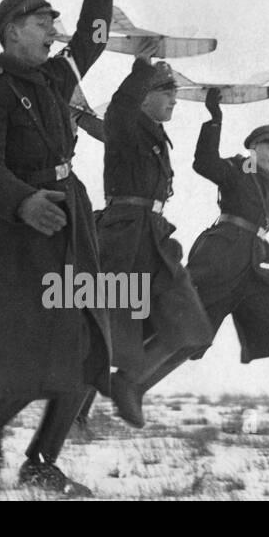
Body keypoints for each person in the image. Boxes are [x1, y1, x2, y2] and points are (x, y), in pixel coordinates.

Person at [0, 0, 113, 495]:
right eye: (44, 22)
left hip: (71, 225)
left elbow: (94, 39)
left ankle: (34, 457)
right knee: (34, 352)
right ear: (12, 29)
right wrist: (23, 200)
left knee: (85, 347)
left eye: (53, 21)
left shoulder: (53, 79)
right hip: (22, 239)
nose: (54, 30)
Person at [139, 98, 269, 428]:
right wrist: (214, 119)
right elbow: (205, 163)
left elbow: (250, 222)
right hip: (219, 264)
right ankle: (124, 386)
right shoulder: (243, 168)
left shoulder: (266, 183)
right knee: (186, 332)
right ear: (254, 147)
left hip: (248, 271)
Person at [98, 58, 214, 428]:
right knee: (84, 331)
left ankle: (129, 384)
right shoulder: (127, 126)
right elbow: (118, 109)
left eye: (175, 93)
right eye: (165, 92)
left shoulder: (156, 135)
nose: (174, 100)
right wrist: (141, 69)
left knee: (193, 328)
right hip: (124, 238)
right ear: (143, 95)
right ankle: (116, 389)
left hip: (154, 236)